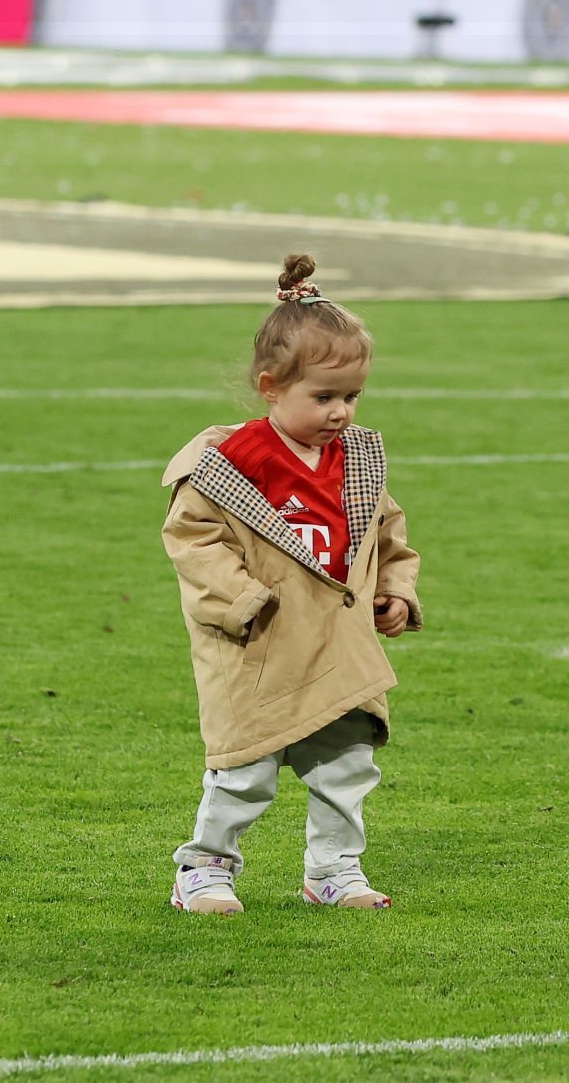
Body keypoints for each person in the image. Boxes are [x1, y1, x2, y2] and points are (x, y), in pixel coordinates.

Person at [162, 254, 423, 916]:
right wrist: (242, 599)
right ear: (271, 386)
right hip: (261, 647)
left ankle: (332, 871)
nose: (341, 411)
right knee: (243, 771)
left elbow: (386, 533)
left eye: (352, 396)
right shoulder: (232, 465)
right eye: (325, 396)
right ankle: (204, 870)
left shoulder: (356, 461)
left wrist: (396, 590)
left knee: (346, 768)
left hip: (337, 650)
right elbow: (194, 539)